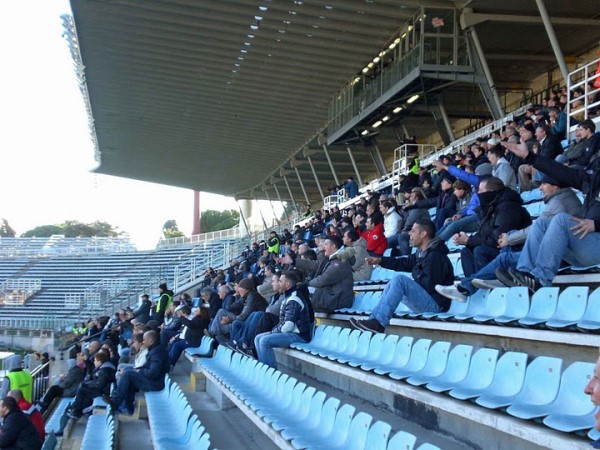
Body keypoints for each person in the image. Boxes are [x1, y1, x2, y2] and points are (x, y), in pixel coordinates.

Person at [497, 139, 600, 292]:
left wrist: (597, 224)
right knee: (543, 223)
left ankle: (541, 280)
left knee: (561, 220)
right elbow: (561, 172)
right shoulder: (592, 180)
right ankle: (525, 273)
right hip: (588, 246)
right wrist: (529, 156)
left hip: (595, 246)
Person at [350, 219, 454, 334]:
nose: (410, 234)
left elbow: (429, 285)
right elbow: (403, 263)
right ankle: (373, 320)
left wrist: (415, 270)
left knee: (400, 280)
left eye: (413, 231)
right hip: (426, 299)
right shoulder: (422, 253)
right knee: (391, 283)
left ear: (423, 234)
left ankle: (379, 323)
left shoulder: (435, 256)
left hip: (435, 305)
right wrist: (380, 261)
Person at [255, 271, 313, 369]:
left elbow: (288, 326)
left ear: (288, 284)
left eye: (280, 281)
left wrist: (274, 332)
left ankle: (271, 373)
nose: (278, 283)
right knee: (258, 338)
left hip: (299, 335)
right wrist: (274, 331)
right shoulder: (287, 296)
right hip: (292, 332)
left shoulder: (293, 299)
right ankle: (264, 370)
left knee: (264, 341)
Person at [111, 330, 170, 415]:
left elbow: (153, 373)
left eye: (144, 339)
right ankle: (128, 407)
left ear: (150, 340)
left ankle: (116, 402)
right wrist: (137, 369)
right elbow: (147, 366)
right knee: (128, 371)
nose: (142, 342)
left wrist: (140, 371)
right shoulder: (155, 349)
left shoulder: (157, 352)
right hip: (154, 380)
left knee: (128, 374)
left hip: (156, 384)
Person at [296, 235, 354, 313]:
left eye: (326, 244)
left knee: (300, 292)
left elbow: (325, 278)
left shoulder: (340, 261)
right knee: (298, 292)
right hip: (331, 296)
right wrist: (294, 261)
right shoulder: (331, 259)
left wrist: (307, 284)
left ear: (334, 247)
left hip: (337, 299)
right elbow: (314, 265)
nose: (324, 247)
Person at [67, 351, 116, 420]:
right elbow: (92, 373)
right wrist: (86, 361)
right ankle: (75, 409)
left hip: (104, 393)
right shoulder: (103, 368)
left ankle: (76, 411)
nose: (94, 362)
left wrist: (88, 384)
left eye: (95, 360)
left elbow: (100, 385)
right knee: (83, 386)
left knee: (82, 389)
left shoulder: (105, 370)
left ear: (100, 361)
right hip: (102, 390)